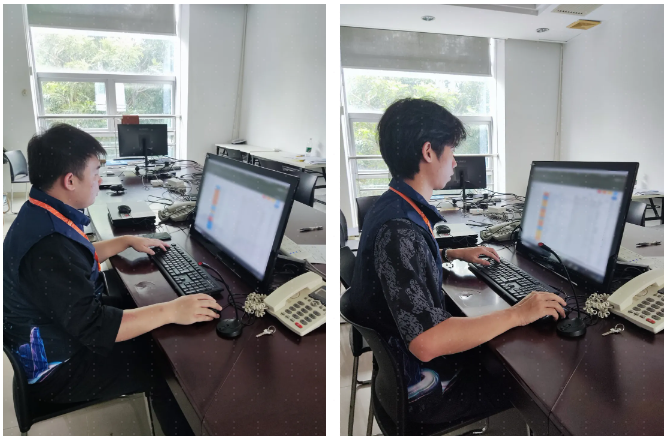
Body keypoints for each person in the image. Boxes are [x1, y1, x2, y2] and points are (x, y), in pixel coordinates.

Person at [348, 98, 567, 424]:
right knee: (537, 377)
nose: (454, 161)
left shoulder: (391, 205)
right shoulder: (400, 230)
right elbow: (426, 342)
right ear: (428, 152)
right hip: (425, 392)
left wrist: (449, 254)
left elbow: (399, 267)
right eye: (451, 150)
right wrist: (519, 313)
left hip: (397, 379)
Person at [3, 124, 223, 435]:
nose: (100, 179)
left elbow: (76, 256)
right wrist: (172, 310)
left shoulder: (42, 211)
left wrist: (126, 241)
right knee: (169, 362)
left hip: (60, 327)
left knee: (148, 309)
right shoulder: (48, 246)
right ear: (70, 180)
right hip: (60, 370)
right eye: (95, 172)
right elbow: (95, 326)